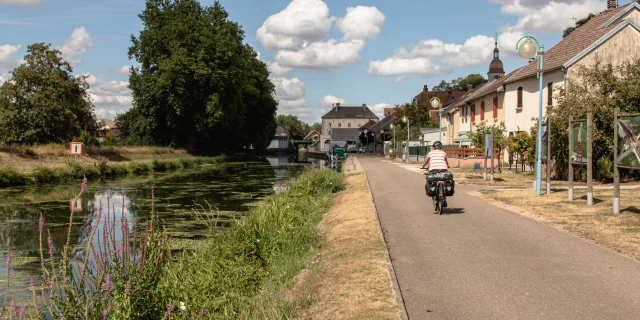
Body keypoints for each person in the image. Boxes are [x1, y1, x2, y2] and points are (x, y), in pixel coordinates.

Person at [420, 141, 453, 207]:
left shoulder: (430, 153)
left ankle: (434, 192)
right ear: (440, 147)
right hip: (443, 170)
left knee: (432, 181)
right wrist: (448, 166)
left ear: (434, 147)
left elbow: (426, 161)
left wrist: (423, 166)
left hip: (433, 170)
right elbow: (446, 162)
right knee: (444, 181)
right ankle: (444, 198)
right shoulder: (443, 153)